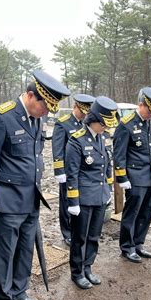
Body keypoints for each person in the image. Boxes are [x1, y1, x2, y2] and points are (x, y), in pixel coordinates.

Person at [0, 70, 70, 300]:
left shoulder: (37, 118)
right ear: (30, 95)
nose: (47, 112)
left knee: (25, 250)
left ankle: (19, 292)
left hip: (31, 199)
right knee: (4, 255)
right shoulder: (1, 117)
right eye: (45, 106)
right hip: (6, 202)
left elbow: (34, 155)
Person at [65, 96, 117, 289]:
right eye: (103, 124)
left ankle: (88, 267)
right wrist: (73, 202)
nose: (105, 127)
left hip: (100, 196)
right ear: (93, 120)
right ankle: (77, 272)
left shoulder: (102, 138)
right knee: (80, 238)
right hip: (84, 199)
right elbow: (72, 174)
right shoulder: (76, 141)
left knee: (94, 236)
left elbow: (107, 166)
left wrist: (108, 190)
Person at [113, 87, 151, 263]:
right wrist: (122, 178)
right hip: (135, 178)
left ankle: (138, 243)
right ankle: (127, 247)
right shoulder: (126, 124)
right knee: (132, 213)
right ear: (141, 105)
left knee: (146, 213)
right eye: (150, 110)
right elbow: (119, 154)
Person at [52, 94, 94, 246]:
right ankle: (67, 232)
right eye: (82, 111)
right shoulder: (63, 123)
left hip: (82, 172)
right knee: (66, 203)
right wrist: (59, 171)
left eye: (86, 112)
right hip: (68, 172)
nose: (84, 115)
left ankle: (78, 230)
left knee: (80, 201)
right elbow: (57, 149)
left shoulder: (87, 124)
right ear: (75, 106)